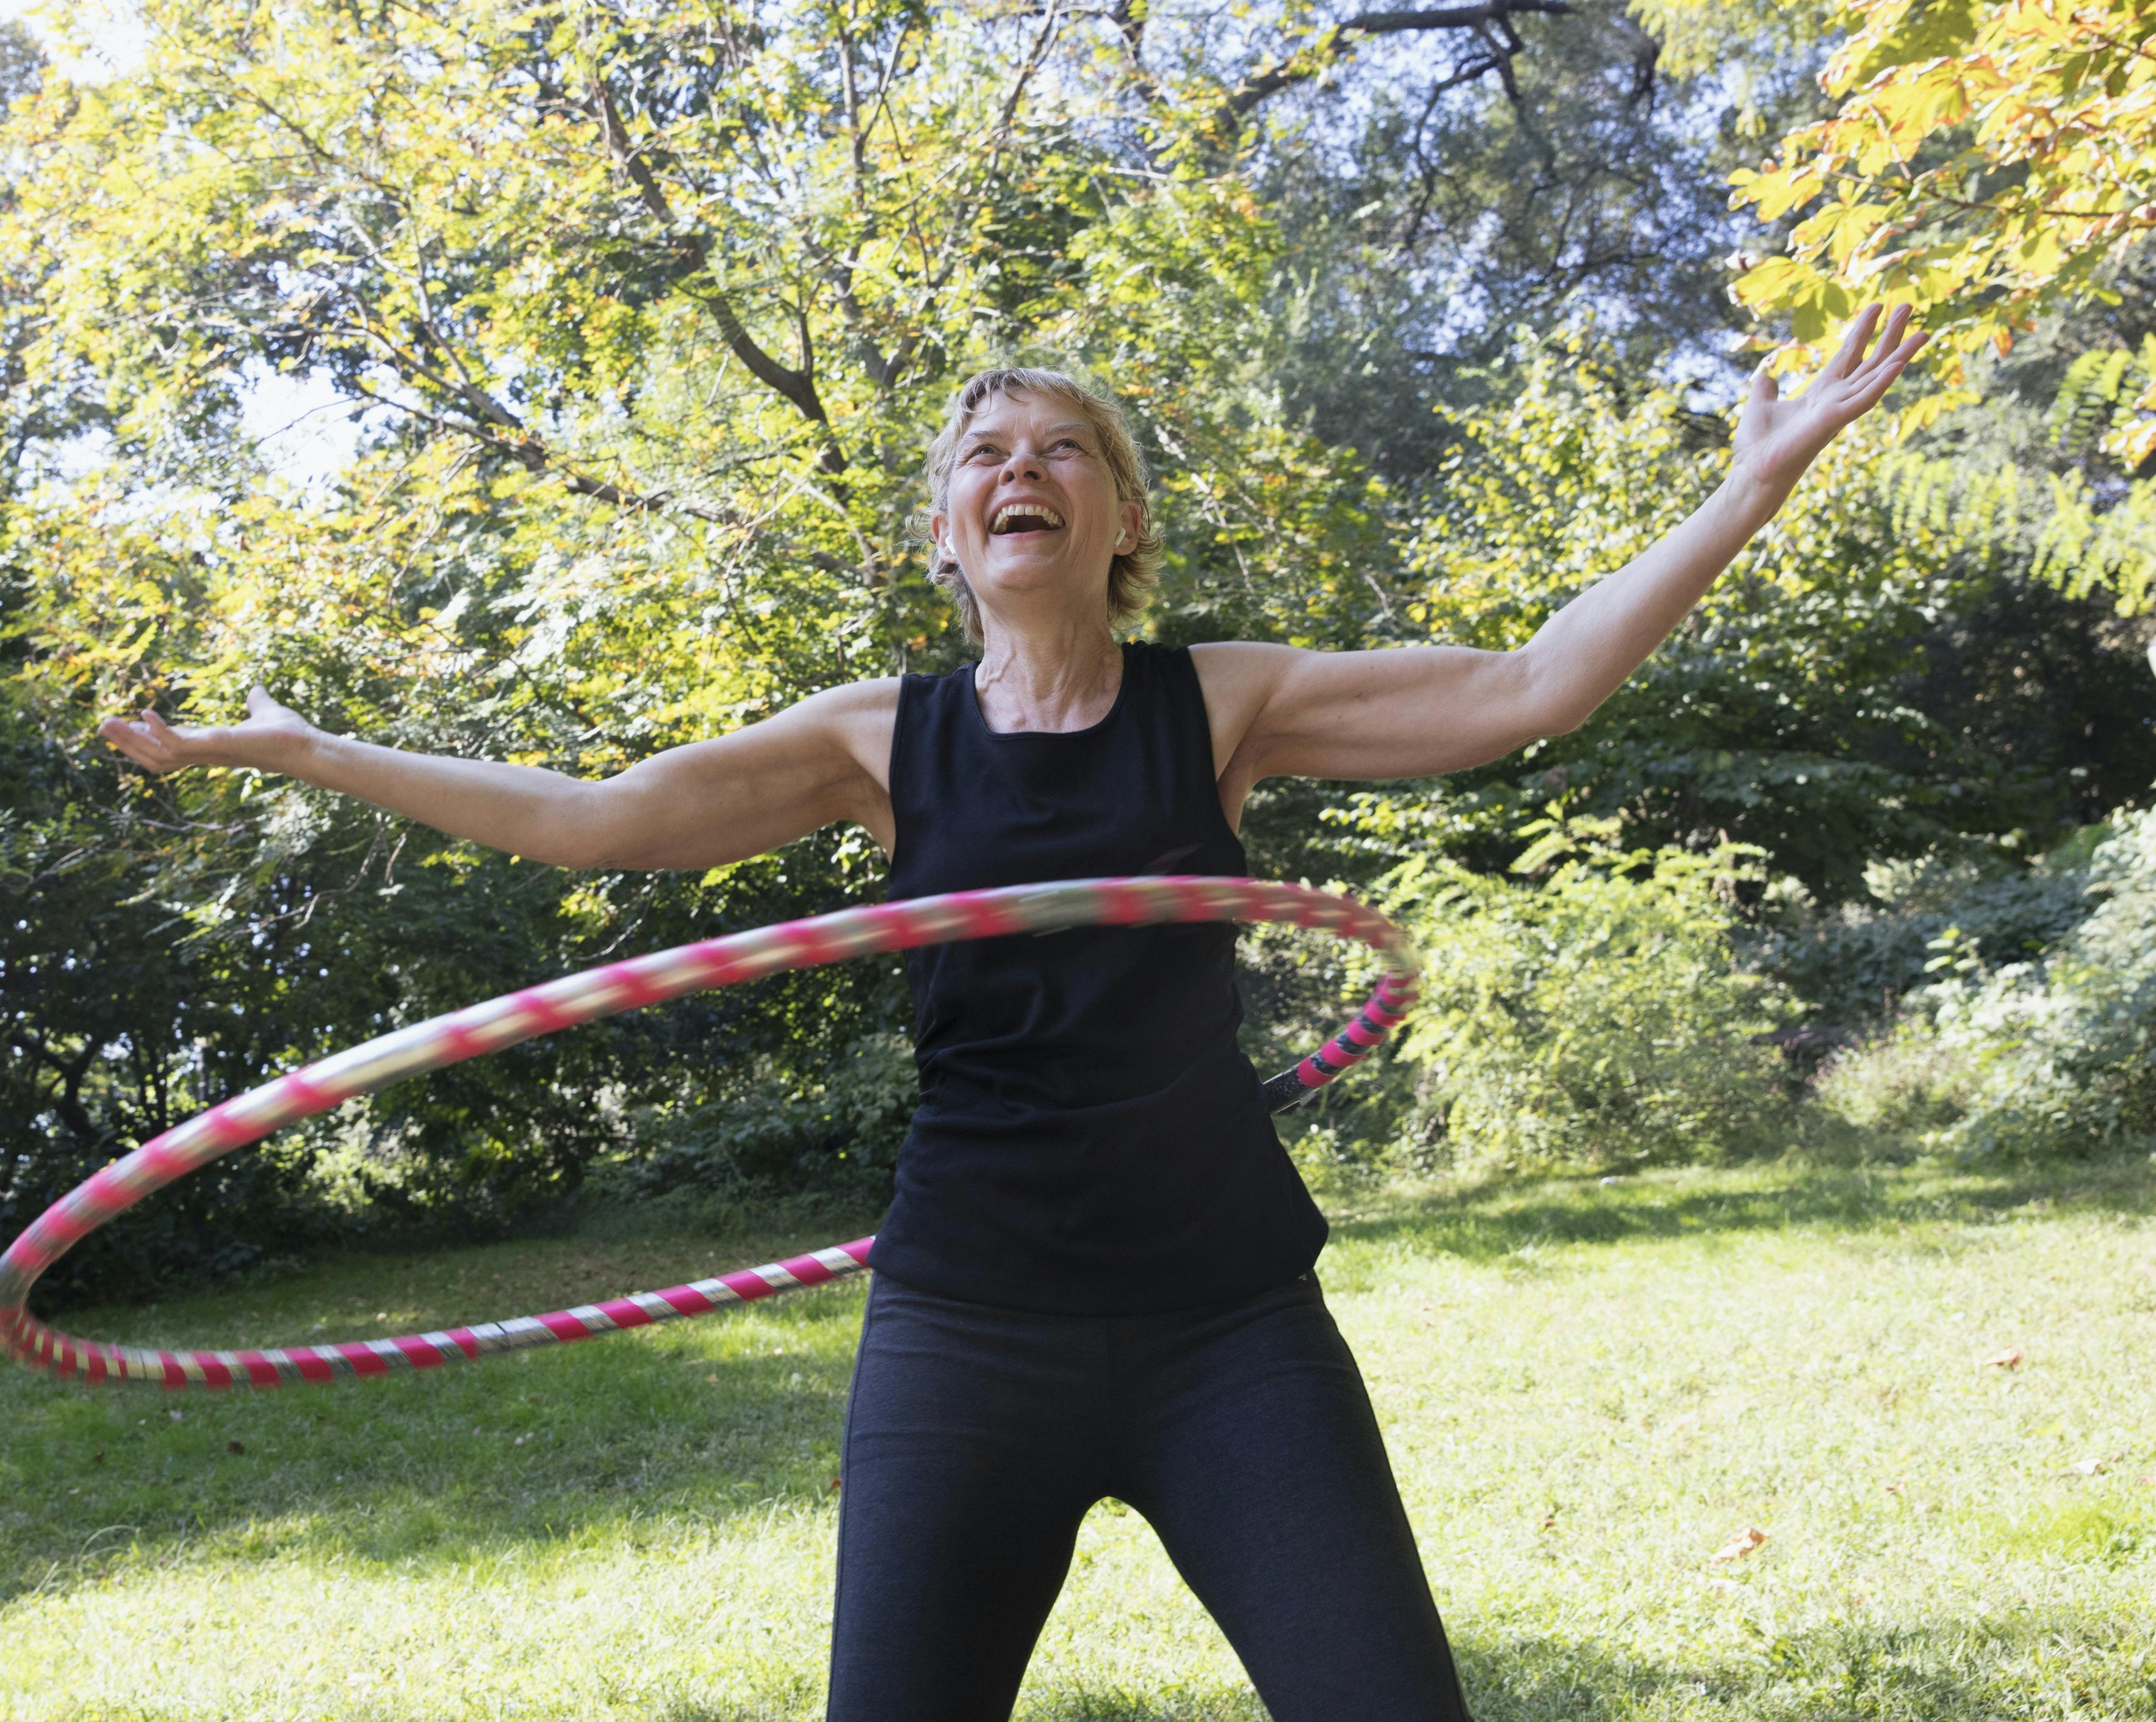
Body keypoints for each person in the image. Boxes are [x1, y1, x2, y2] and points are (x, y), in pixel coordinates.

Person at [101, 302, 1928, 1720]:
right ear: (947, 527)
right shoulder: (876, 739)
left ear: (1120, 517)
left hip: (1232, 1333)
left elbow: (1531, 684)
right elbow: (598, 825)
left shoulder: (1223, 698)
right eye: (988, 451)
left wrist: (1747, 482)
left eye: (1066, 448)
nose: (1023, 467)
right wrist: (315, 749)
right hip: (966, 1335)